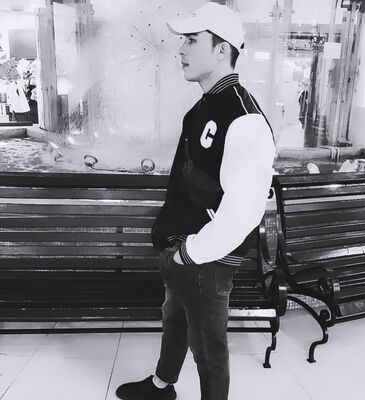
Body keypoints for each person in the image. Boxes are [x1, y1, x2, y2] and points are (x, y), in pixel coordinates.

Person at [116, 3, 275, 400]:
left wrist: (189, 254)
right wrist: (177, 251)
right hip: (186, 248)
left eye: (191, 40)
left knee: (208, 348)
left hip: (207, 258)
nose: (181, 49)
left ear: (222, 50)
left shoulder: (245, 118)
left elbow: (244, 211)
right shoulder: (202, 107)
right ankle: (161, 385)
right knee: (174, 319)